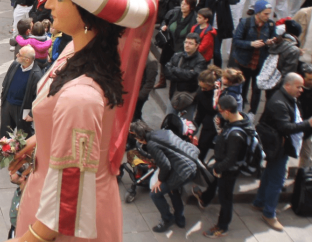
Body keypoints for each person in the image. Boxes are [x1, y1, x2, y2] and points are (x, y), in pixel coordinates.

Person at [6, 0, 161, 242]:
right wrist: (41, 142)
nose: (48, 4)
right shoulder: (80, 49)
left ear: (89, 15)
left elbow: (65, 208)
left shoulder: (81, 97)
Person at [253, 73, 312, 231]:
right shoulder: (279, 102)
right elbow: (285, 127)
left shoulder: (286, 97)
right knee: (277, 181)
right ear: (288, 85)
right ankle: (269, 214)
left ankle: (259, 202)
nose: (301, 90)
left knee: (269, 173)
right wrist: (308, 123)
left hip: (278, 145)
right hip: (279, 147)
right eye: (298, 87)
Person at [193, 94, 254, 238]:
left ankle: (222, 226)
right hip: (222, 164)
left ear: (227, 111)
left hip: (228, 170)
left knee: (225, 198)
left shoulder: (236, 135)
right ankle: (205, 198)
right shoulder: (237, 120)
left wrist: (217, 168)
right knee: (214, 182)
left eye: (220, 110)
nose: (219, 113)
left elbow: (230, 160)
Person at [130, 120, 199, 232]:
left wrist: (160, 180)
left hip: (182, 171)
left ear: (138, 137)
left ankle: (167, 219)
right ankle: (180, 219)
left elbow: (165, 165)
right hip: (191, 165)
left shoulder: (151, 145)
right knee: (173, 189)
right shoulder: (163, 132)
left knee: (155, 194)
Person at [232, 0, 277, 113]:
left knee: (257, 90)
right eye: (265, 14)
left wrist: (271, 42)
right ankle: (240, 110)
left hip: (260, 63)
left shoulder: (270, 25)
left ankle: (252, 112)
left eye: (269, 14)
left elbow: (274, 41)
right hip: (244, 62)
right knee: (242, 88)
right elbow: (236, 41)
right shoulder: (245, 23)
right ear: (258, 13)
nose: (268, 16)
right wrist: (251, 44)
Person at [0, 44, 43, 139]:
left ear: (27, 60)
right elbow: (6, 81)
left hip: (22, 109)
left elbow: (39, 97)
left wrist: (31, 114)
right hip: (7, 104)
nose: (16, 55)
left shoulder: (36, 75)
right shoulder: (15, 64)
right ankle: (4, 148)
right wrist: (3, 98)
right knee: (5, 133)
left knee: (24, 135)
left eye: (19, 54)